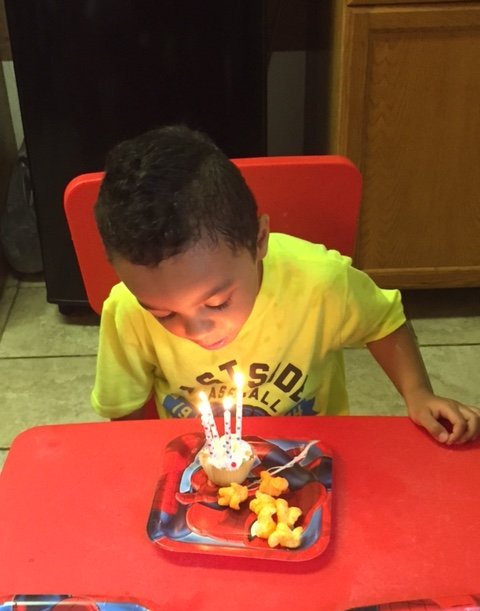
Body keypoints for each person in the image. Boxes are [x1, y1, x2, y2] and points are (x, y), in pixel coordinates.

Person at [91, 124, 480, 445]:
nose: (196, 331)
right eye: (163, 314)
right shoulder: (127, 310)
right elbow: (123, 416)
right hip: (197, 459)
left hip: (314, 451)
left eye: (218, 302)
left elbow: (384, 321)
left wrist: (418, 393)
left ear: (259, 241)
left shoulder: (320, 282)